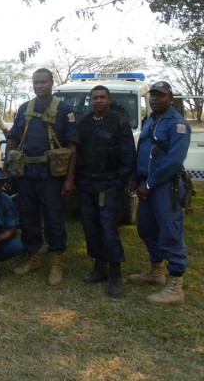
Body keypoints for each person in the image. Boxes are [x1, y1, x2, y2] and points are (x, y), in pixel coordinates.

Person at [4, 68, 79, 286]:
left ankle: (56, 262)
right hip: (26, 173)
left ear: (51, 83)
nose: (39, 86)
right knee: (28, 217)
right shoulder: (24, 108)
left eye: (43, 82)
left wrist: (70, 178)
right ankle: (33, 258)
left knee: (54, 218)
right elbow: (13, 138)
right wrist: (6, 165)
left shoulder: (64, 109)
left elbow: (72, 145)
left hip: (51, 176)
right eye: (36, 82)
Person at [127, 81, 191, 306]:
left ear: (170, 98)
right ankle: (156, 271)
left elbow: (174, 160)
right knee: (146, 229)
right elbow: (142, 151)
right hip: (146, 184)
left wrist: (150, 183)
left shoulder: (178, 124)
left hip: (165, 187)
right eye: (153, 95)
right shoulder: (150, 121)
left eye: (161, 95)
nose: (155, 99)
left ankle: (176, 287)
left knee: (170, 232)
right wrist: (136, 178)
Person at [76, 85, 136, 297]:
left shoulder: (120, 122)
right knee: (90, 227)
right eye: (95, 98)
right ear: (90, 101)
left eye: (102, 97)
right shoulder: (84, 123)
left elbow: (128, 157)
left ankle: (115, 275)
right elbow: (77, 153)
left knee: (108, 228)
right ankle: (99, 268)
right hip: (86, 184)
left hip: (108, 185)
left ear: (109, 99)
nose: (98, 101)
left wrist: (119, 184)